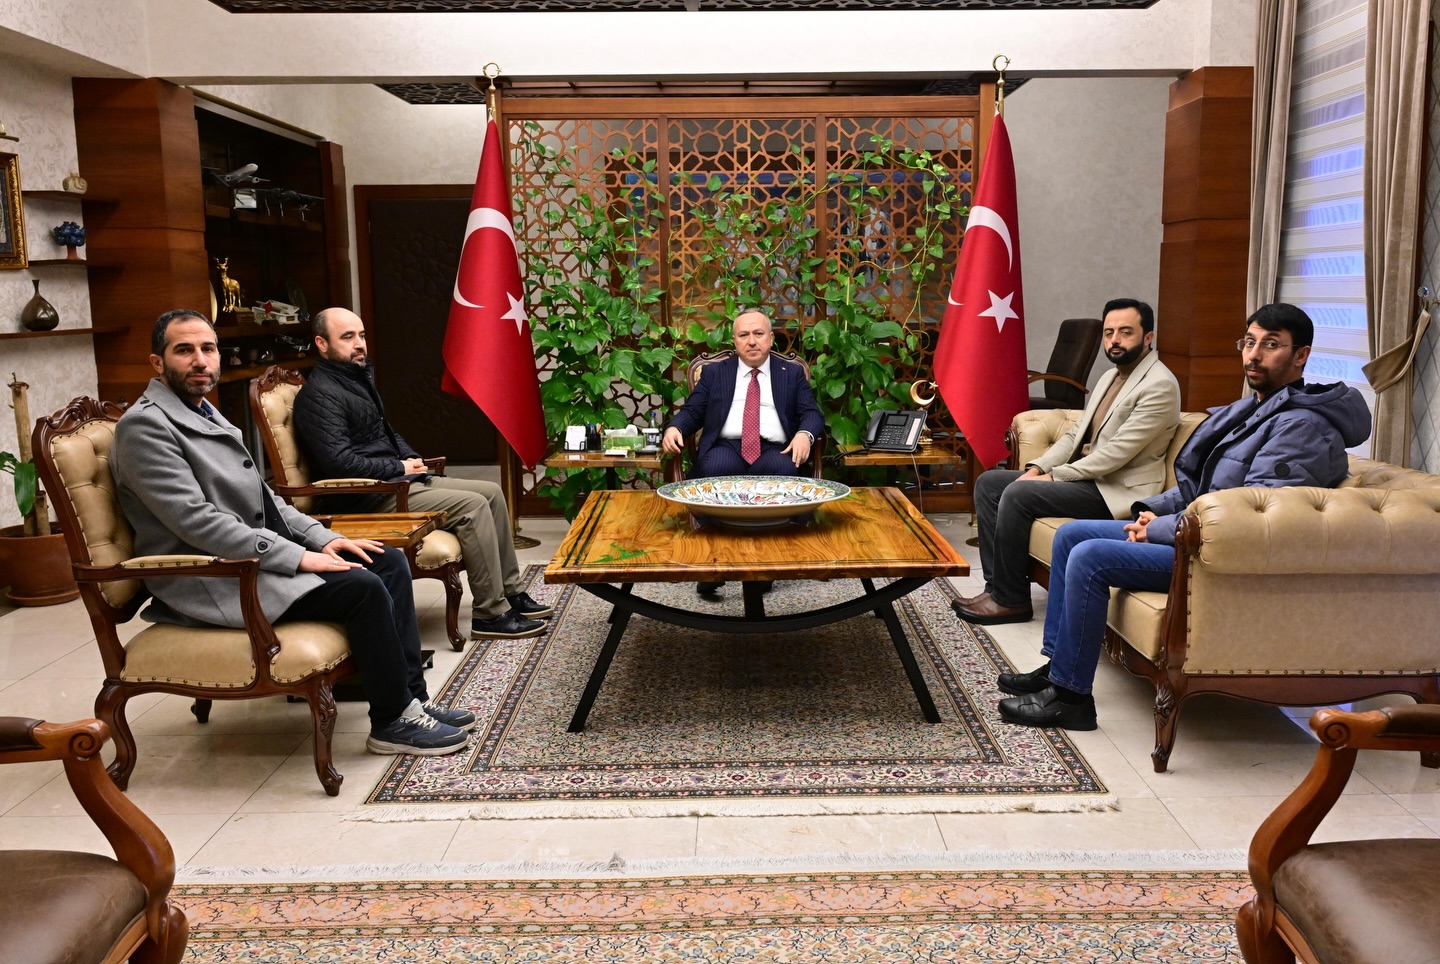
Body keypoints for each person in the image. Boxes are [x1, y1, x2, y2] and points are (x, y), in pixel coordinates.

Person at [111, 309, 473, 756]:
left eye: (208, 348)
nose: (200, 360)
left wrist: (324, 539)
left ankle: (411, 702)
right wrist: (297, 557)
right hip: (214, 576)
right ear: (157, 362)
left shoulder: (203, 410)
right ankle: (391, 722)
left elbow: (268, 500)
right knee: (361, 588)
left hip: (250, 558)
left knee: (387, 561)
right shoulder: (145, 426)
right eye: (184, 350)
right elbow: (196, 521)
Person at [996, 303, 1372, 730]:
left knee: (1089, 557)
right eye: (1249, 342)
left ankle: (1071, 700)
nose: (1253, 355)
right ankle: (1057, 670)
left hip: (1220, 555)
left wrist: (1158, 530)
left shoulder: (1301, 428)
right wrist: (1150, 511)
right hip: (1195, 534)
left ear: (1301, 355)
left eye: (1270, 345)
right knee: (1071, 537)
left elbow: (1252, 519)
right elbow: (1203, 488)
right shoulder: (1257, 409)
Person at [292, 307, 549, 641]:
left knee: (491, 492)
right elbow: (339, 463)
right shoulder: (319, 395)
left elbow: (386, 433)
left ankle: (512, 593)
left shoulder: (355, 379)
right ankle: (490, 614)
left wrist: (411, 457)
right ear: (321, 344)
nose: (359, 344)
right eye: (348, 337)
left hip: (393, 482)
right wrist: (399, 467)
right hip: (367, 497)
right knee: (472, 506)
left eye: (362, 335)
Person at [956, 299, 1181, 626]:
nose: (1114, 340)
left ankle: (1010, 601)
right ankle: (998, 589)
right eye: (1109, 333)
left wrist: (1052, 478)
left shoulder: (1159, 385)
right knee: (990, 484)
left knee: (1019, 494)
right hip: (1090, 479)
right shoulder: (1110, 377)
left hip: (1114, 490)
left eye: (1125, 332)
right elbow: (1075, 435)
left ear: (1148, 337)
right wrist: (1037, 468)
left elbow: (1115, 454)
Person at [661, 308, 826, 597]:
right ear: (735, 340)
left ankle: (765, 565)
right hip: (728, 446)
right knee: (712, 470)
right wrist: (675, 427)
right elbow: (693, 410)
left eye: (758, 334)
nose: (752, 341)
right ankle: (712, 563)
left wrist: (805, 434)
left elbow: (811, 413)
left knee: (785, 472)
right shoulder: (715, 373)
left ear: (770, 338)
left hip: (775, 447)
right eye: (744, 335)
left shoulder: (791, 373)